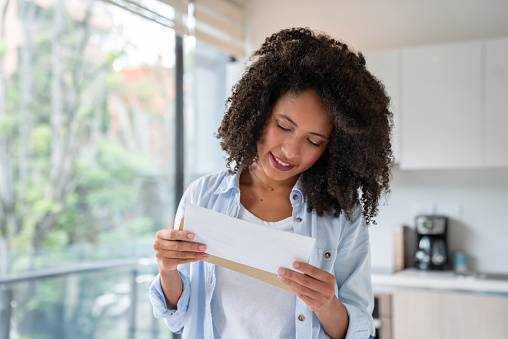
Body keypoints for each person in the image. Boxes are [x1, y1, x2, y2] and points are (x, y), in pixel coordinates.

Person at [149, 27, 393, 339]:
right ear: (259, 111)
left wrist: (326, 303)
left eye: (314, 141)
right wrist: (167, 269)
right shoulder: (203, 196)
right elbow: (179, 317)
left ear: (334, 149)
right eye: (283, 126)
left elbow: (359, 332)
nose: (291, 151)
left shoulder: (342, 216)